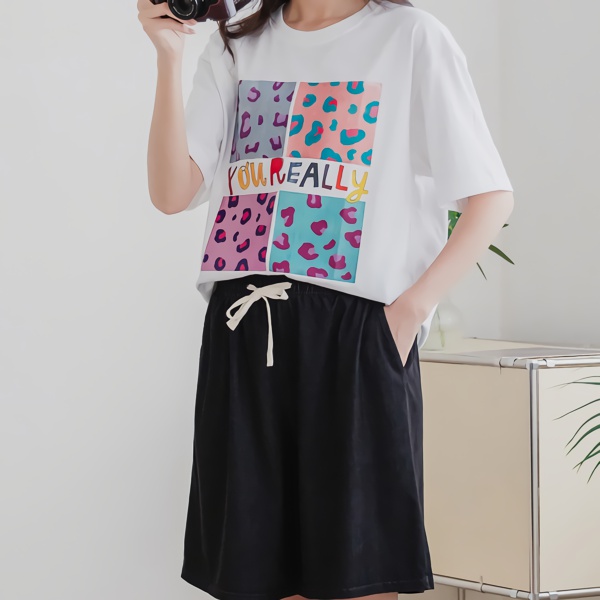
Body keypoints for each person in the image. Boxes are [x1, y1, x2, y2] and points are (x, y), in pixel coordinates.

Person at [138, 0, 515, 599]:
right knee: (257, 575)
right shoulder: (237, 43)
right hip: (245, 331)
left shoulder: (410, 37)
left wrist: (407, 314)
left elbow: (490, 197)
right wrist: (168, 56)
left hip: (356, 335)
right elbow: (171, 191)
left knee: (361, 577)